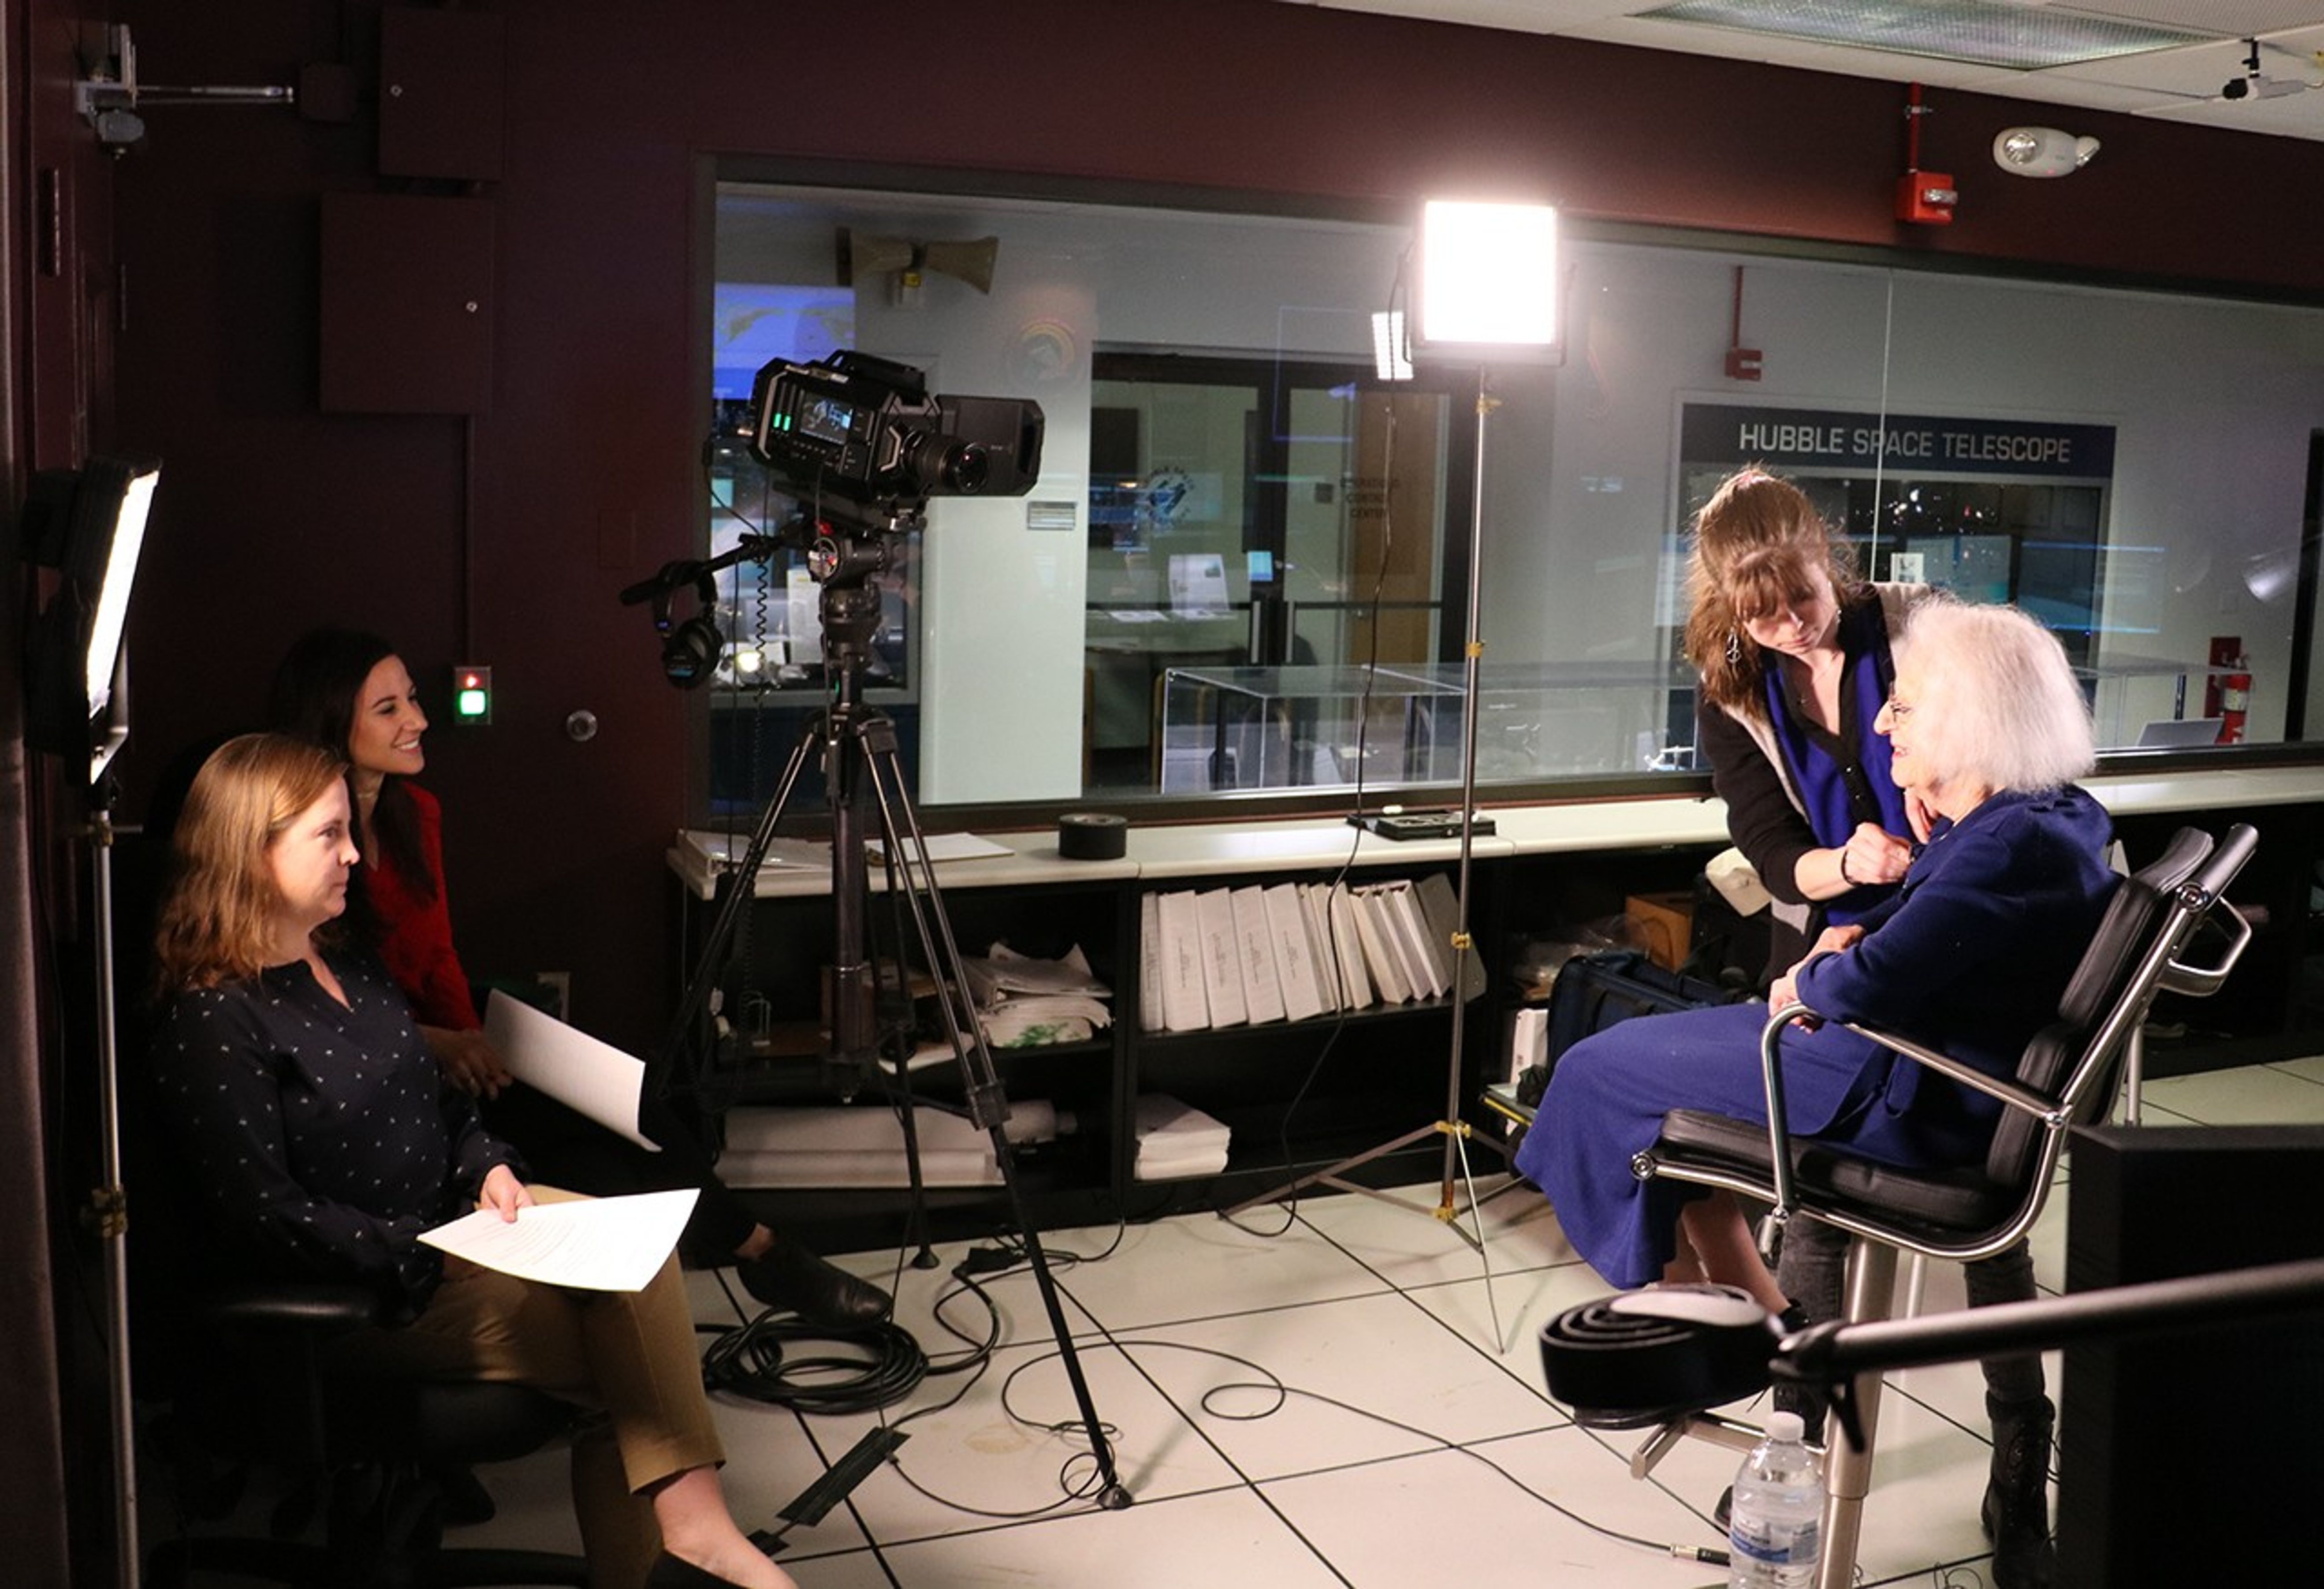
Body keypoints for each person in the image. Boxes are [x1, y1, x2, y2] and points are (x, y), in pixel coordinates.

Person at [1518, 601, 2109, 1587]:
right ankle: (1782, 1351)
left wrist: (1815, 976)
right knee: (1666, 1103)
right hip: (1954, 1084)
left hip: (1892, 1092)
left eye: (1907, 709)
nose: (1884, 725)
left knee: (1596, 1067)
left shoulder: (1998, 845)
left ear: (1970, 722)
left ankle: (1702, 1339)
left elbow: (1867, 984)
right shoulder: (2052, 817)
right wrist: (1874, 915)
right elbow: (1933, 928)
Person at [146, 733, 792, 1589]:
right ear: (249, 849)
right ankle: (694, 1542)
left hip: (465, 1220)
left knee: (645, 1257)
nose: (352, 854)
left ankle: (693, 1535)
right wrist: (423, 1250)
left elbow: (440, 1100)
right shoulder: (212, 1019)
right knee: (628, 1377)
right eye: (328, 834)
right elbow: (265, 1215)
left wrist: (487, 1161)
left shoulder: (343, 956)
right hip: (374, 1289)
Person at [265, 627, 887, 1331]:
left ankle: (763, 1253)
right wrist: (439, 1046)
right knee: (609, 1170)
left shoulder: (417, 816)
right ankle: (758, 1258)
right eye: (388, 709)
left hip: (454, 1035)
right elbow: (317, 1005)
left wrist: (474, 1038)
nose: (418, 720)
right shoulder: (307, 848)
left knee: (639, 1100)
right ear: (330, 722)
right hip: (387, 1063)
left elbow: (438, 955)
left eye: (411, 699)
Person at [1683, 469, 2056, 1587]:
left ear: (1825, 560)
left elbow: (2006, 757)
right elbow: (1766, 846)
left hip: (1956, 923)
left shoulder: (1920, 633)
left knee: (1978, 1198)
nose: (1790, 625)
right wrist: (1843, 866)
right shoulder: (1731, 685)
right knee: (1817, 1182)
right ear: (1725, 607)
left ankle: (2018, 1451)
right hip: (1839, 935)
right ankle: (1794, 1428)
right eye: (1760, 612)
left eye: (1801, 595)